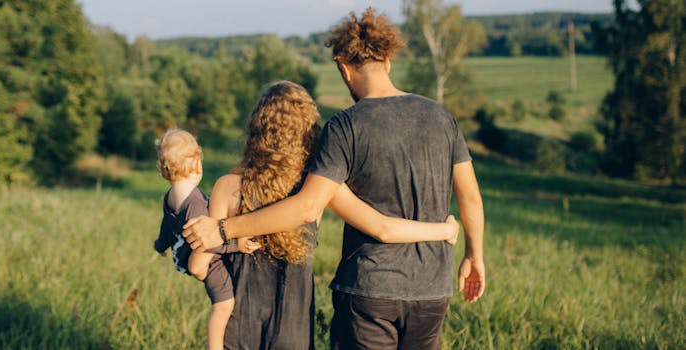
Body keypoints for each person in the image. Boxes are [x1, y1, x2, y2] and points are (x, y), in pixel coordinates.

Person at [183, 7, 485, 350]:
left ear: (344, 67)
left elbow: (309, 207)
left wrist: (223, 230)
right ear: (387, 61)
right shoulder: (441, 117)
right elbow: (471, 198)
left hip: (369, 289)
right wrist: (472, 253)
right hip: (433, 288)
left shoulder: (346, 126)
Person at [206, 80, 460, 349]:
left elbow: (201, 266)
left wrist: (226, 238)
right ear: (308, 130)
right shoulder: (318, 189)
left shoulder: (227, 187)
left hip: (235, 329)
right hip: (295, 334)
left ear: (256, 128)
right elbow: (382, 227)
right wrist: (443, 230)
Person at [152, 128, 260, 350]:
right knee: (223, 306)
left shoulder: (170, 197)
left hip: (184, 254)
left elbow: (166, 224)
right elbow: (209, 240)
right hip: (209, 264)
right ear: (196, 164)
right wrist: (236, 244)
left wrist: (160, 244)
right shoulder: (196, 205)